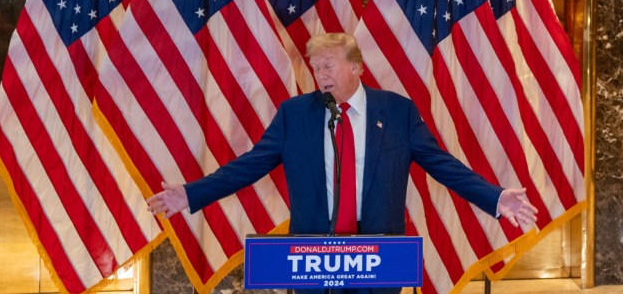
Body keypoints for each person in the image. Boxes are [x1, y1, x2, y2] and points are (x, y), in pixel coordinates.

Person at [148, 33, 538, 292]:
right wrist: (189, 195)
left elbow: (442, 164)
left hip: (377, 258)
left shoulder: (398, 112)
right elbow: (249, 165)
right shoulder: (295, 114)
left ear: (356, 67)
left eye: (328, 66)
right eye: (315, 68)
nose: (320, 75)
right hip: (312, 259)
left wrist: (496, 198)